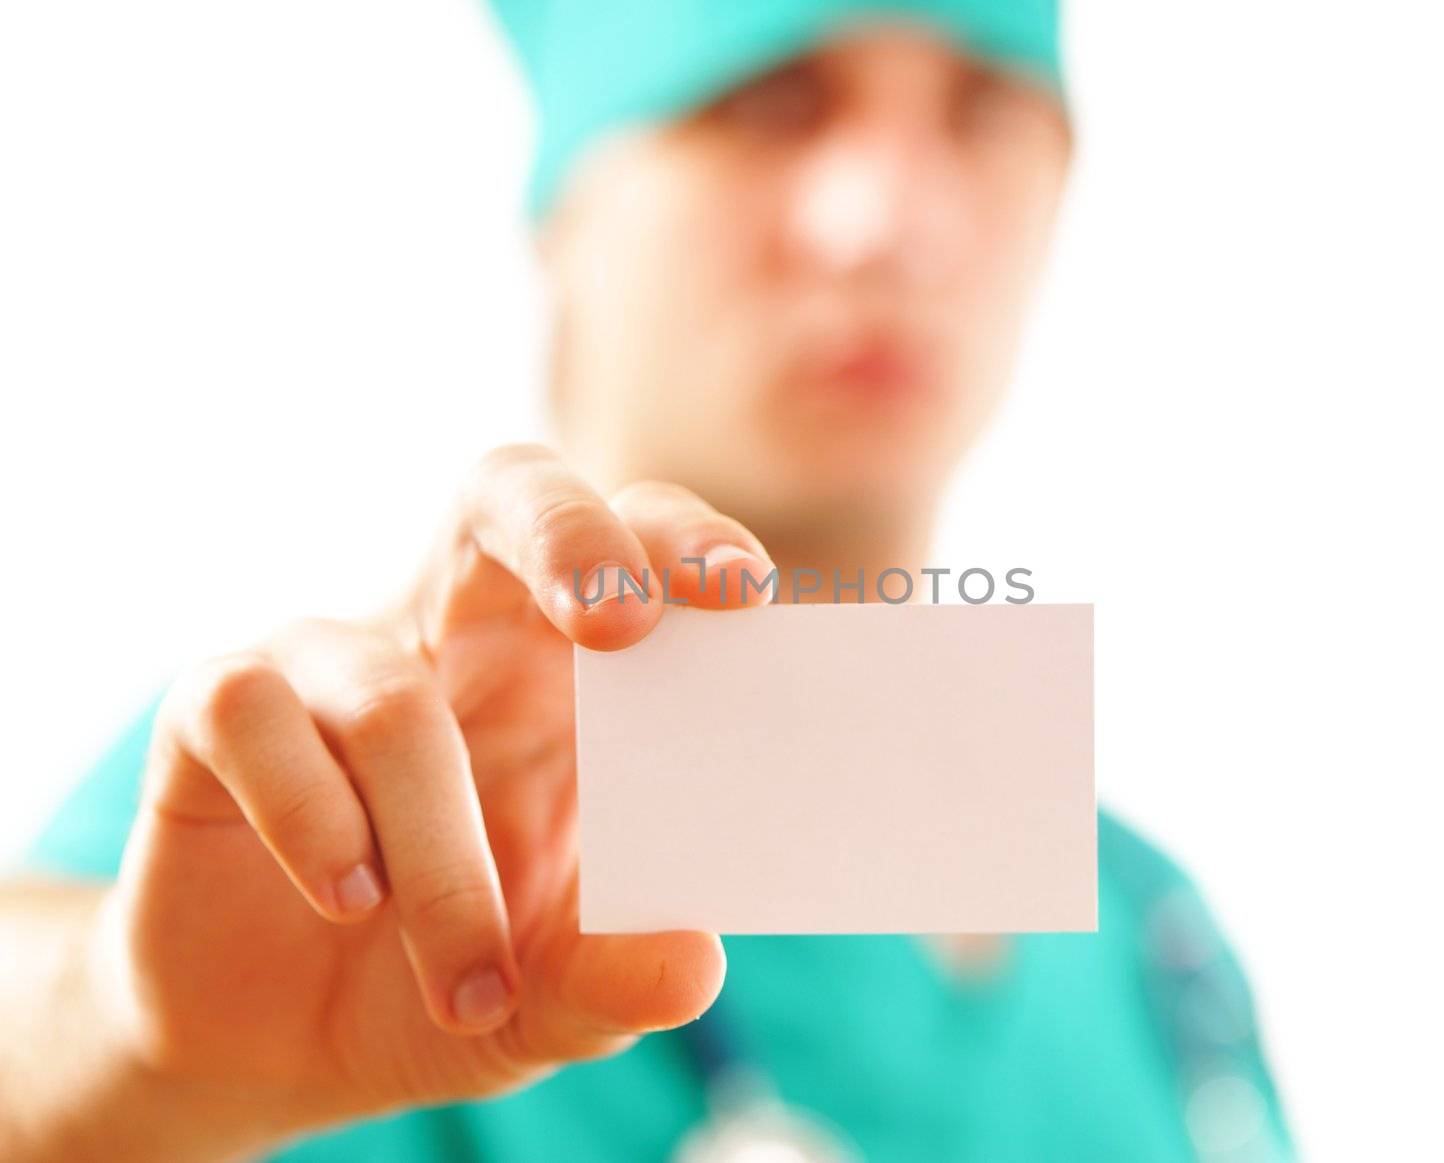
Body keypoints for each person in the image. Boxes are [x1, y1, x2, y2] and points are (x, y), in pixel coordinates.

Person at [0, 1, 1296, 1159]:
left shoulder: (1152, 935)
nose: (890, 221)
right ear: (565, 205)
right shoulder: (328, 817)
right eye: (767, 98)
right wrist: (132, 1056)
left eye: (983, 108)